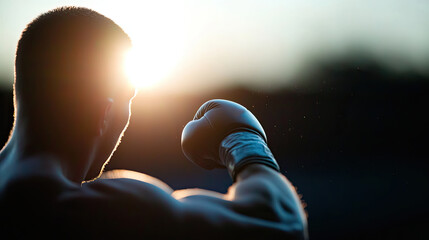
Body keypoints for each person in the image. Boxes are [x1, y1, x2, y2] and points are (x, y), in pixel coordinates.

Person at [0, 6, 308, 239]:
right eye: (127, 98)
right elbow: (278, 223)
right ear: (104, 112)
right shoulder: (75, 209)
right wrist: (243, 140)